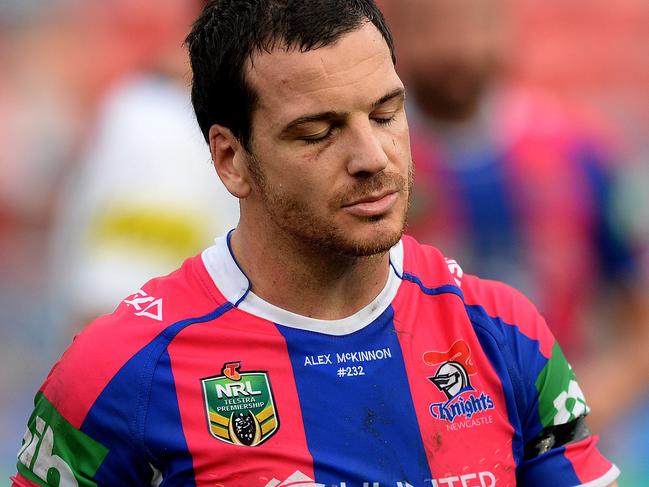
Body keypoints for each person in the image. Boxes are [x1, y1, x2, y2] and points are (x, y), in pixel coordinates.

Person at [12, 1, 619, 486]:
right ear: (230, 159)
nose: (372, 158)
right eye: (318, 133)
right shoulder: (122, 370)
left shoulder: (505, 332)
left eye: (385, 115)